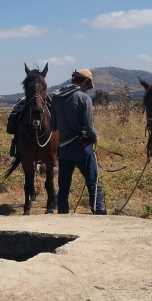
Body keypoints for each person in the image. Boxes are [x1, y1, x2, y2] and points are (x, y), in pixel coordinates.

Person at [51, 68, 106, 214]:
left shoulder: (56, 97)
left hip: (64, 148)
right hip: (82, 147)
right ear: (86, 82)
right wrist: (95, 138)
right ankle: (98, 213)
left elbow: (53, 126)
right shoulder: (84, 98)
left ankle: (62, 216)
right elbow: (89, 127)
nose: (88, 89)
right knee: (93, 184)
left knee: (64, 187)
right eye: (88, 86)